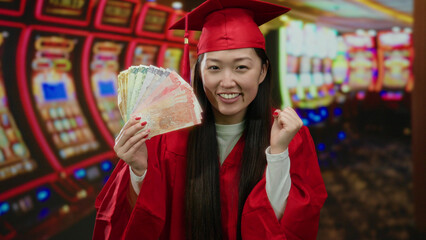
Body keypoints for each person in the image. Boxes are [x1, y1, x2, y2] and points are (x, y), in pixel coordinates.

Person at [93, 0, 327, 239]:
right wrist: (140, 170)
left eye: (241, 68)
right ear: (199, 71)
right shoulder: (166, 138)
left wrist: (277, 154)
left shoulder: (290, 137)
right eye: (214, 68)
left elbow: (288, 227)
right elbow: (144, 224)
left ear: (263, 71)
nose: (227, 82)